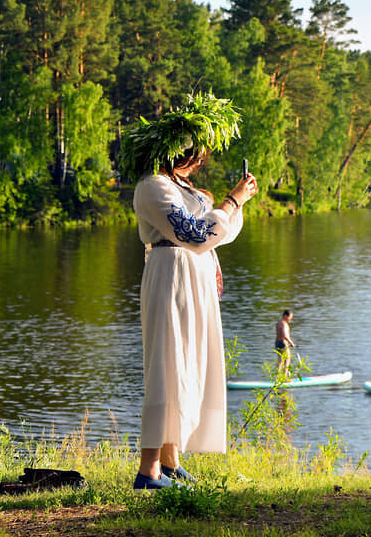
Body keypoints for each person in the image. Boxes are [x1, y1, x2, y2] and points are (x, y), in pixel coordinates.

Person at [124, 94, 258, 490]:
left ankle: (170, 460)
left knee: (191, 369)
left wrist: (233, 208)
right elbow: (195, 235)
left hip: (195, 278)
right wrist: (233, 200)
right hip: (170, 276)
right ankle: (147, 471)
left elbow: (221, 235)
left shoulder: (193, 193)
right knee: (167, 367)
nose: (199, 161)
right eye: (196, 154)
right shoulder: (153, 187)